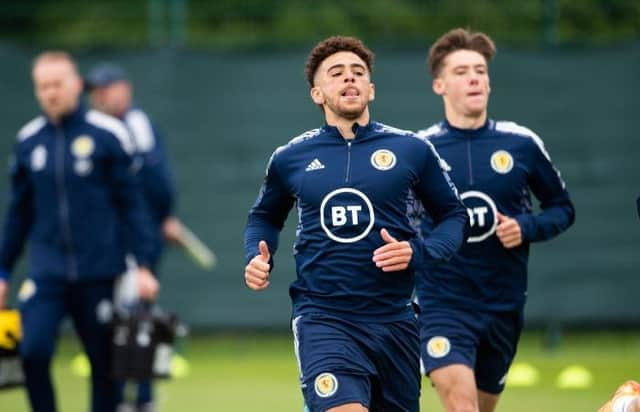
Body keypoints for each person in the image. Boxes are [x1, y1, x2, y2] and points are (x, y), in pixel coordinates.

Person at [243, 36, 469, 412]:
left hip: (395, 320)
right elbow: (264, 217)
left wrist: (418, 251)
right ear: (317, 93)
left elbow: (453, 217)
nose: (349, 79)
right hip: (324, 316)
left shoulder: (412, 149)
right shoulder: (290, 157)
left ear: (371, 89)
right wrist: (257, 255)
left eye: (358, 72)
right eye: (337, 73)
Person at [414, 28, 575, 412]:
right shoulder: (419, 150)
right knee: (463, 407)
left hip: (502, 305)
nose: (474, 78)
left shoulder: (521, 143)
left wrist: (526, 227)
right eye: (461, 71)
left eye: (481, 70)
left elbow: (562, 208)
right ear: (440, 84)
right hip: (442, 303)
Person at [0, 51, 158, 412]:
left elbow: (132, 206)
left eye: (57, 84)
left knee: (106, 370)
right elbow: (17, 215)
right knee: (33, 350)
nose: (51, 93)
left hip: (101, 272)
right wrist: (3, 271)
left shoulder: (109, 134)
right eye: (43, 86)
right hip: (47, 273)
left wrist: (144, 265)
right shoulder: (28, 142)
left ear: (75, 85)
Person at [85, 63, 181, 412]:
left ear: (124, 88)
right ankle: (128, 395)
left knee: (136, 314)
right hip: (109, 238)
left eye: (107, 87)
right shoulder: (96, 128)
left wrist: (162, 216)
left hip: (137, 236)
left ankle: (140, 396)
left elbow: (156, 181)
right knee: (120, 314)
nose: (101, 95)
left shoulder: (137, 125)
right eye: (96, 89)